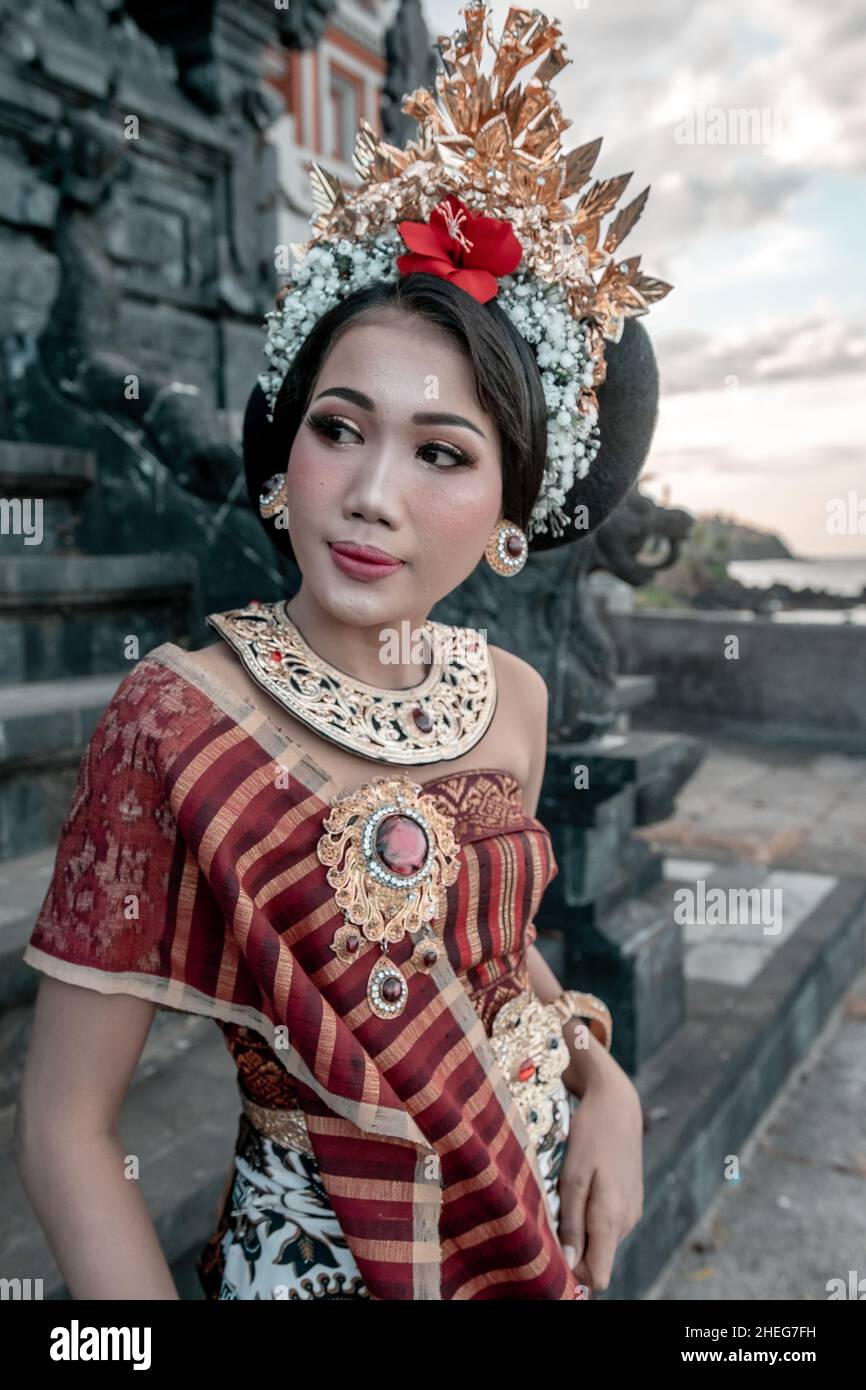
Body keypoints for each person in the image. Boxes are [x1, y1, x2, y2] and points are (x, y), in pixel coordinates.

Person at [15, 1, 670, 1300]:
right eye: (338, 426)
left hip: (533, 1224)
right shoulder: (175, 718)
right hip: (317, 1258)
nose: (371, 491)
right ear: (282, 465)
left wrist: (606, 1084)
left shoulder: (515, 698)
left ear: (505, 518)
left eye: (441, 453)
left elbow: (495, 963)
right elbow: (63, 1129)